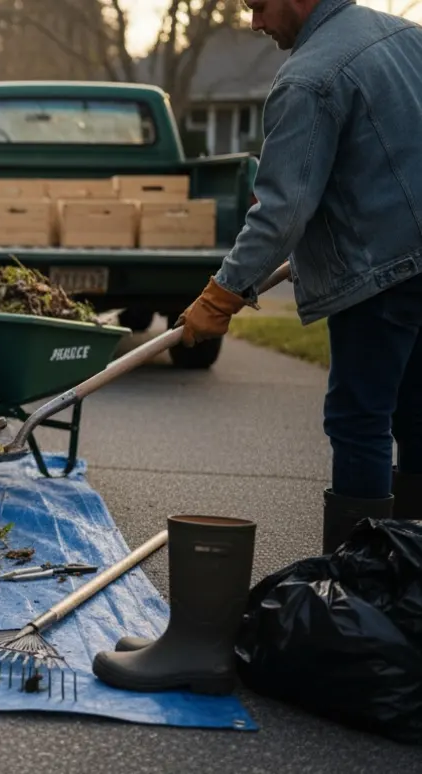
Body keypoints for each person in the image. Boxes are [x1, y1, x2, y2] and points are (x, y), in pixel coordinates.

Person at [176, 0, 422, 554]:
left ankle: (359, 589)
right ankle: (410, 586)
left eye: (258, 6)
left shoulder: (310, 78)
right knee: (417, 416)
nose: (255, 24)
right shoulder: (409, 40)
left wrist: (222, 293)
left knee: (360, 421)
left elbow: (281, 212)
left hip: (381, 277)